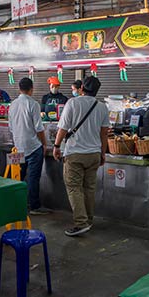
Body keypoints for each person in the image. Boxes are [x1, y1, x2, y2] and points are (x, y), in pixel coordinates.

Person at [53, 76, 109, 237]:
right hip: (94, 154)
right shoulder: (102, 107)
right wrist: (102, 153)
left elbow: (63, 128)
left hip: (75, 154)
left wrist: (56, 146)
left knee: (74, 188)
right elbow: (104, 133)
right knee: (89, 188)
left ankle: (80, 223)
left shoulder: (72, 103)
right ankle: (88, 221)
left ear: (82, 88)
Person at [8, 77, 49, 215]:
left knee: (17, 177)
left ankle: (16, 204)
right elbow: (39, 128)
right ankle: (34, 206)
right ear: (31, 89)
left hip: (17, 147)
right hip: (33, 147)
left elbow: (10, 127)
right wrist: (44, 144)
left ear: (19, 89)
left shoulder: (12, 105)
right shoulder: (33, 104)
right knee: (33, 178)